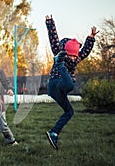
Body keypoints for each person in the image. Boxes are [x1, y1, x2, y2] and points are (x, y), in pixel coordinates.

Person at [45, 15, 99, 150]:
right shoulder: (59, 52)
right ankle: (59, 63)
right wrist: (50, 23)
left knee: (69, 112)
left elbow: (85, 51)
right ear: (66, 53)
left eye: (76, 56)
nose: (75, 58)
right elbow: (53, 39)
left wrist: (91, 38)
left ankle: (53, 133)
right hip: (55, 83)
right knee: (69, 83)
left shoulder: (77, 58)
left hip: (60, 90)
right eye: (72, 55)